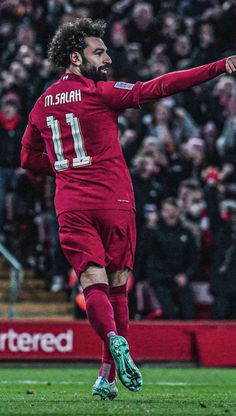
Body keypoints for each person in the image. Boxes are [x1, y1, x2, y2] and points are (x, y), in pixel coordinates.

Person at [20, 18, 236, 399]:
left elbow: (27, 158)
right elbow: (161, 86)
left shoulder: (40, 105)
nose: (107, 57)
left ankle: (107, 371)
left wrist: (63, 167)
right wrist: (219, 65)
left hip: (71, 204)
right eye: (98, 51)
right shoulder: (101, 93)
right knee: (118, 291)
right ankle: (109, 367)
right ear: (75, 57)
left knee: (92, 285)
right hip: (114, 202)